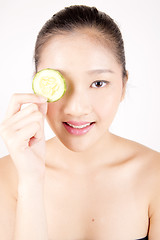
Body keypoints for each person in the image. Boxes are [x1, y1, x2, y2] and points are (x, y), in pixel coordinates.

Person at [0, 4, 159, 240]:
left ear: (123, 85)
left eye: (98, 83)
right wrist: (31, 183)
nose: (76, 108)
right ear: (39, 86)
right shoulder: (7, 176)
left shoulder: (155, 174)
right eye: (60, 82)